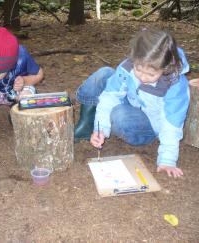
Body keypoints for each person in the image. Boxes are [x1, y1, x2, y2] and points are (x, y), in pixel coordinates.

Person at [74, 28, 190, 178]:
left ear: (165, 67)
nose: (143, 77)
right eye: (138, 69)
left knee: (119, 115)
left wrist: (167, 159)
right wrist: (101, 127)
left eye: (151, 74)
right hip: (131, 102)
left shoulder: (175, 85)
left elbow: (171, 123)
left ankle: (113, 123)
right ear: (134, 59)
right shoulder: (128, 67)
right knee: (104, 74)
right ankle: (88, 124)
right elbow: (110, 96)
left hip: (147, 125)